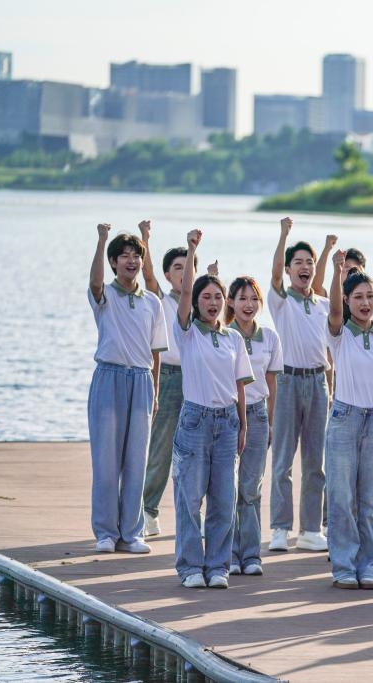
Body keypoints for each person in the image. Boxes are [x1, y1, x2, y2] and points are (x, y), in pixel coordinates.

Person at [170, 229, 253, 589]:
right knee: (190, 498)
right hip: (195, 419)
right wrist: (192, 251)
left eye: (218, 296)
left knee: (224, 498)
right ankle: (190, 567)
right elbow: (185, 291)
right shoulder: (188, 332)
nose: (213, 301)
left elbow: (240, 386)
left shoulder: (234, 337)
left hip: (228, 421)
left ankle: (217, 565)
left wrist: (244, 426)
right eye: (207, 296)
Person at [325, 252, 373, 589]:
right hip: (345, 417)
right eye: (358, 297)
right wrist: (334, 271)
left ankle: (368, 565)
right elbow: (331, 311)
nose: (365, 302)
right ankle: (344, 565)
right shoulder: (339, 333)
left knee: (372, 498)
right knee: (342, 497)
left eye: (370, 296)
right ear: (346, 300)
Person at [87, 224, 167, 554]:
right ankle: (106, 532)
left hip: (141, 380)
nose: (131, 261)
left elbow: (156, 352)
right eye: (124, 256)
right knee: (106, 460)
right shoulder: (104, 295)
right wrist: (102, 239)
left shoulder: (152, 302)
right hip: (108, 378)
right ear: (113, 262)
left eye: (136, 256)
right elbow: (93, 282)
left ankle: (132, 532)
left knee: (137, 459)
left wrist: (157, 390)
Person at [138, 220, 216, 537]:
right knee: (161, 446)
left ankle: (192, 516)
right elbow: (146, 274)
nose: (184, 273)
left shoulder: (200, 305)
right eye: (177, 267)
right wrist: (145, 238)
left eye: (189, 267)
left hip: (198, 379)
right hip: (168, 377)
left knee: (197, 450)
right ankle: (148, 510)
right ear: (168, 274)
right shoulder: (160, 298)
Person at [267, 217, 332, 553]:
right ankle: (280, 527)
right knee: (282, 460)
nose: (304, 267)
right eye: (299, 263)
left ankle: (309, 529)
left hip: (318, 382)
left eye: (309, 262)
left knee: (315, 462)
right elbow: (275, 273)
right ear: (290, 271)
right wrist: (284, 235)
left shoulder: (324, 305)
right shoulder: (281, 300)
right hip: (288, 381)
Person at [225, 276, 284, 576]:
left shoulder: (270, 337)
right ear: (230, 302)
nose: (248, 305)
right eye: (242, 298)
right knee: (227, 488)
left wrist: (270, 423)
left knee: (251, 488)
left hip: (258, 415)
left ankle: (250, 555)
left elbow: (271, 383)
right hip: (227, 415)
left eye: (254, 299)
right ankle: (228, 554)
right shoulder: (223, 334)